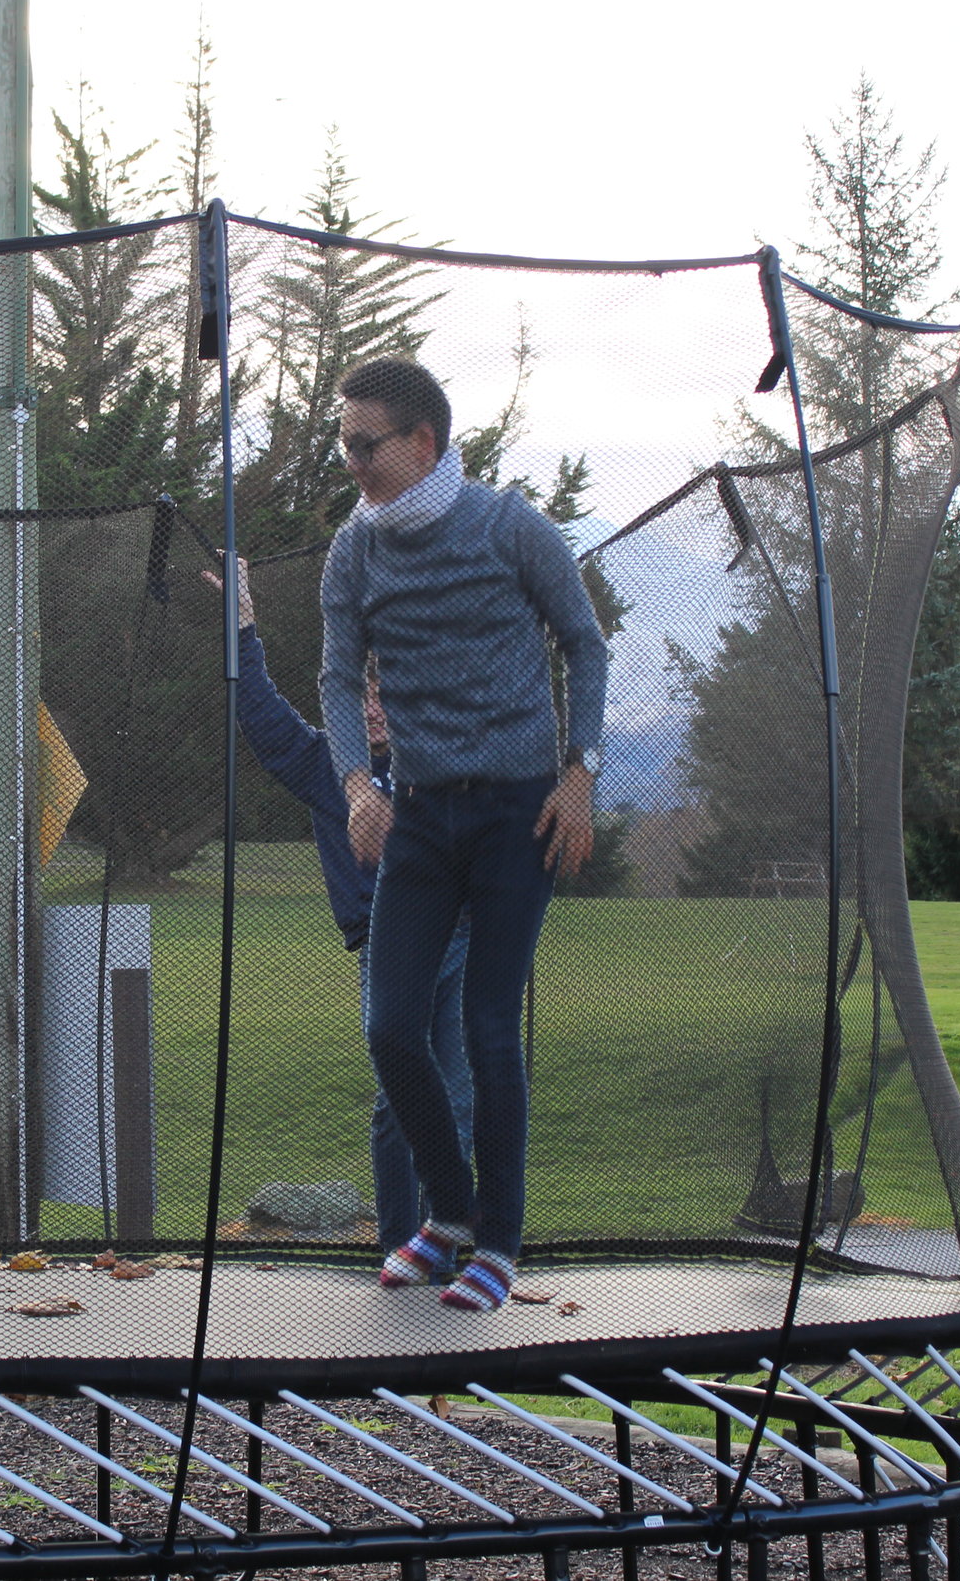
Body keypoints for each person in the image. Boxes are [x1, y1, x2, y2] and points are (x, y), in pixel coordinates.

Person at [319, 357, 609, 1312]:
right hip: (422, 812)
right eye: (345, 443)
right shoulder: (353, 553)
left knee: (488, 1025)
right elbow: (333, 677)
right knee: (390, 1027)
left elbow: (583, 640)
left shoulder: (508, 526)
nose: (352, 461)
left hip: (518, 809)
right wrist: (359, 781)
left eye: (366, 445)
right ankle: (449, 1214)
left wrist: (581, 771)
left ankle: (501, 1241)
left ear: (423, 443)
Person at [203, 557, 474, 1267]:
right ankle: (398, 1242)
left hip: (460, 941)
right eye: (363, 697)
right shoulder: (330, 766)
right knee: (401, 1097)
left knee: (463, 1094)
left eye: (386, 694)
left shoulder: (435, 759)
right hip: (388, 947)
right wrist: (242, 628)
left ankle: (448, 1238)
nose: (375, 708)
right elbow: (260, 714)